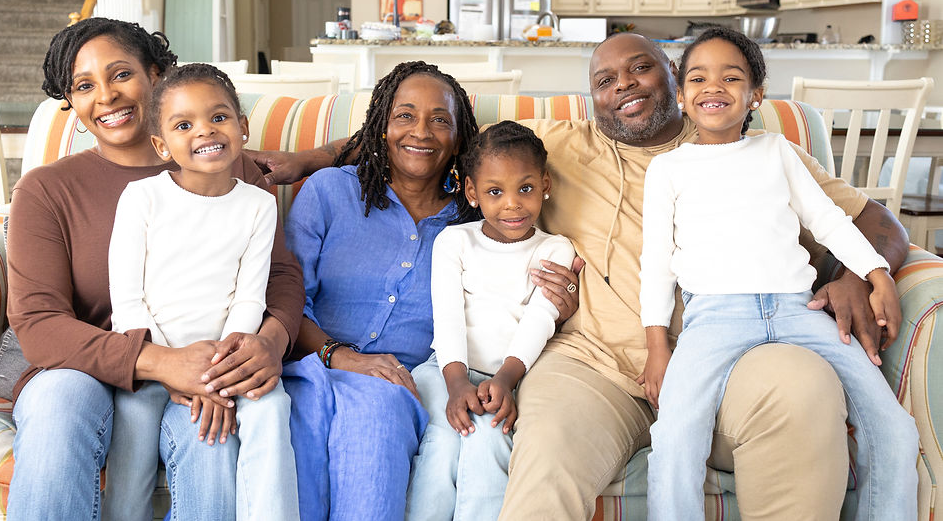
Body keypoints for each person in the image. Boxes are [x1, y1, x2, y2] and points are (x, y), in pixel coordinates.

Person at [252, 31, 910, 520]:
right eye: (605, 79)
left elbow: (881, 226)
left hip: (733, 354)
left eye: (640, 68)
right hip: (592, 366)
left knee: (801, 386)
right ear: (590, 96)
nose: (623, 85)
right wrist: (307, 157)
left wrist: (852, 271)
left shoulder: (746, 147)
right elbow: (431, 139)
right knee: (545, 453)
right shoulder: (556, 144)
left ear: (675, 80)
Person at [6, 18, 305, 521]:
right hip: (83, 369)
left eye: (121, 74)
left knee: (210, 448)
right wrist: (164, 363)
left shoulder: (225, 166)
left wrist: (267, 345)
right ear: (72, 106)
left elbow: (281, 277)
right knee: (58, 402)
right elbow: (38, 324)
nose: (106, 96)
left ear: (156, 75)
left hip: (210, 362)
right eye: (84, 87)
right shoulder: (47, 189)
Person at [280, 61, 582, 521]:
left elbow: (521, 284)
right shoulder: (327, 193)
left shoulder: (480, 218)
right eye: (404, 116)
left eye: (440, 119)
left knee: (377, 417)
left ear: (459, 139)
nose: (421, 132)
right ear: (380, 128)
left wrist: (563, 308)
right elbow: (284, 302)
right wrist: (341, 357)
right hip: (315, 367)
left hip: (406, 383)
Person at [638, 27, 918, 520]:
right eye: (698, 78)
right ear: (681, 96)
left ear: (756, 96)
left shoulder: (777, 152)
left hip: (798, 308)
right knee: (675, 437)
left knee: (895, 428)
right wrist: (657, 344)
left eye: (731, 77)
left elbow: (830, 221)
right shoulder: (669, 169)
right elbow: (657, 261)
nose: (714, 87)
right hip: (714, 321)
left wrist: (878, 275)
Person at [102, 63, 298, 520]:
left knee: (271, 404)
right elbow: (127, 299)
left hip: (222, 363)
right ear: (161, 144)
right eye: (184, 125)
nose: (205, 131)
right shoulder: (142, 198)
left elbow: (251, 297)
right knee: (129, 466)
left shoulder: (258, 204)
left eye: (219, 117)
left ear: (243, 127)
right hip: (150, 359)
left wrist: (214, 373)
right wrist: (172, 368)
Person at [406, 121, 575, 521]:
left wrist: (505, 381)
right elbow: (446, 318)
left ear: (545, 184)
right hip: (445, 369)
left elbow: (540, 320)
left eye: (526, 188)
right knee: (444, 444)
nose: (512, 204)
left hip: (513, 374)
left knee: (489, 438)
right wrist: (457, 382)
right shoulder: (455, 241)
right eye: (495, 192)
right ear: (472, 193)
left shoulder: (555, 249)